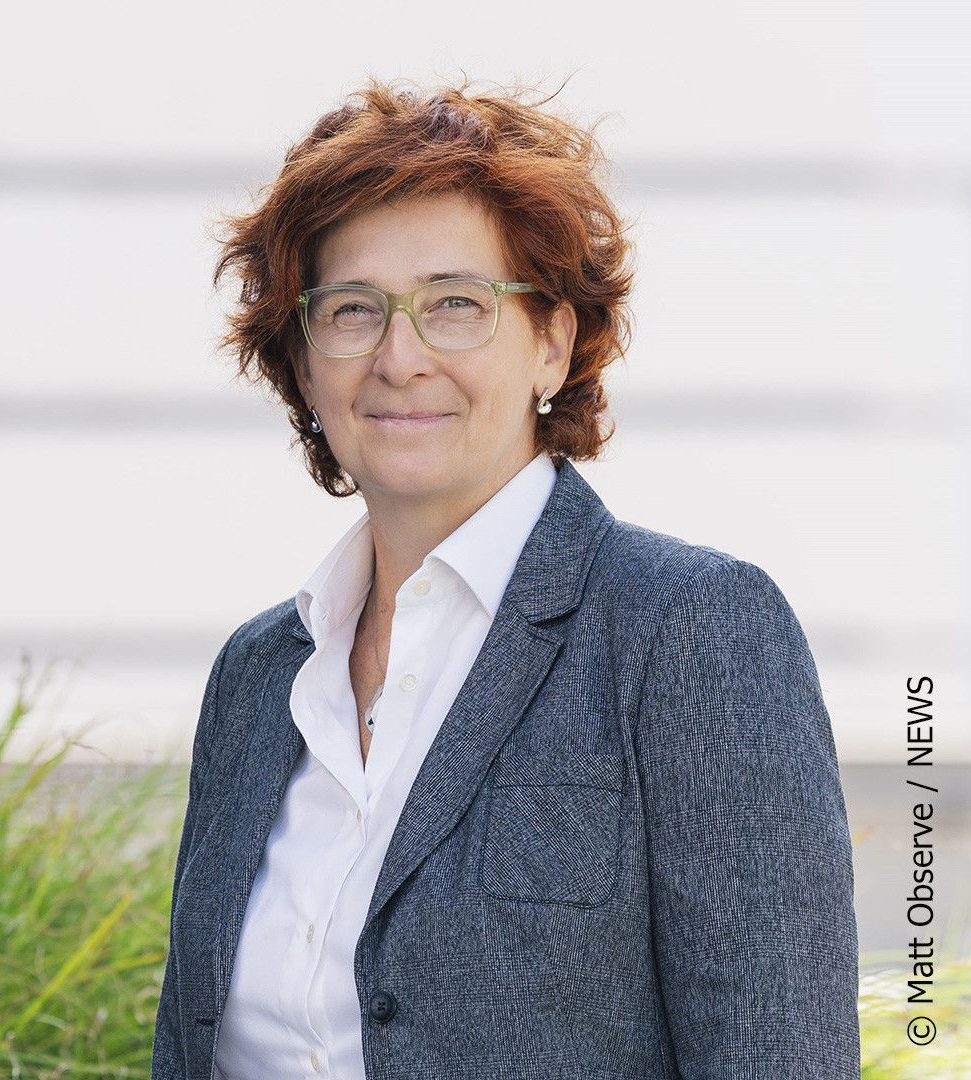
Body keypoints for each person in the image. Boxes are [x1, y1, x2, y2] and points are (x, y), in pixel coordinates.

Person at [151, 78, 860, 1080]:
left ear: (551, 343)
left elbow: (775, 1052)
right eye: (352, 310)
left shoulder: (688, 628)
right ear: (304, 366)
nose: (401, 358)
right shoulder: (259, 674)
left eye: (455, 306)